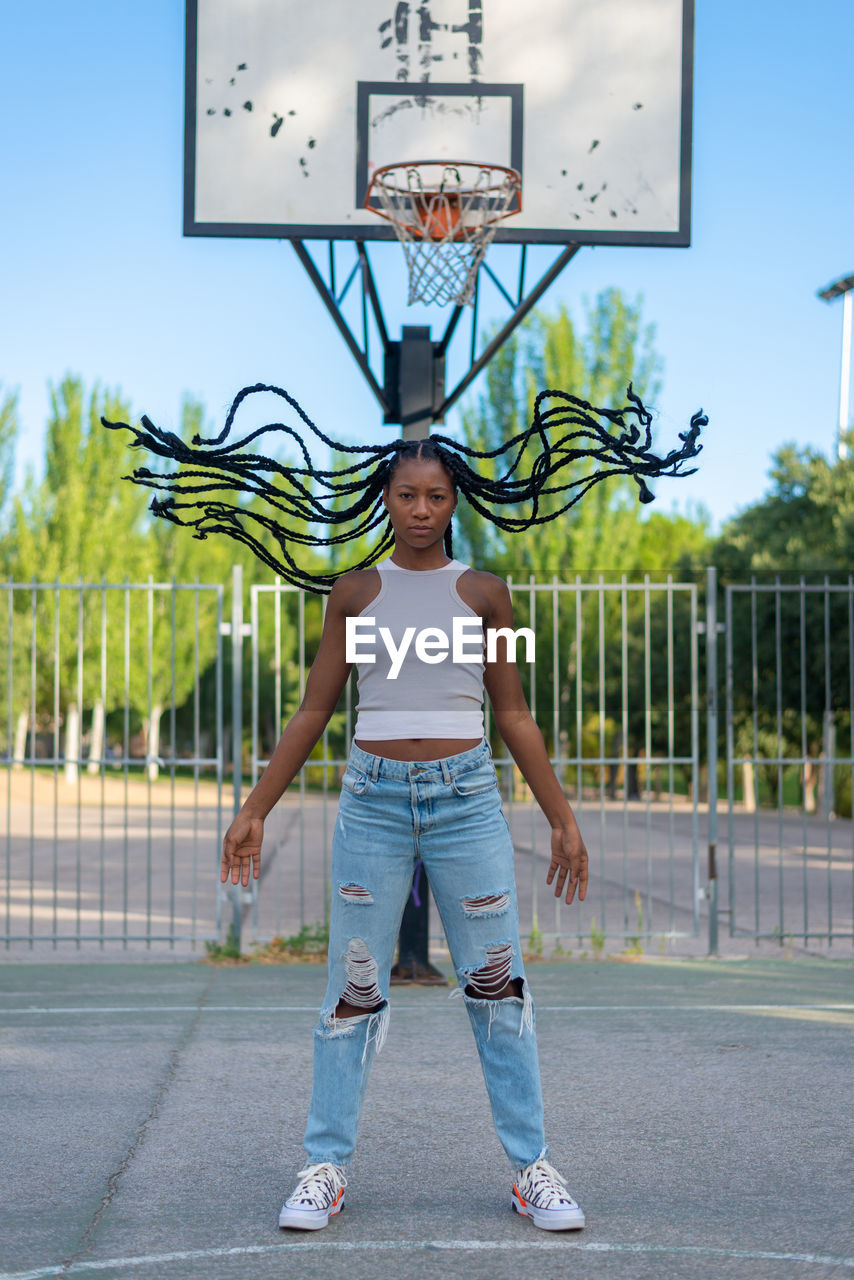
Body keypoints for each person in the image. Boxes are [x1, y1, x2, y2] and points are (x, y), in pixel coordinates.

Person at [220, 438, 590, 1233]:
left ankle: (532, 1169)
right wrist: (257, 806)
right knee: (354, 991)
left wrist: (561, 817)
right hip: (373, 803)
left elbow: (514, 714)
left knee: (500, 987)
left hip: (466, 801)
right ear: (383, 498)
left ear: (457, 503)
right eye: (407, 495)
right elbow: (316, 709)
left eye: (436, 496)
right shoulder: (353, 593)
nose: (421, 510)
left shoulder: (486, 593)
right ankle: (325, 1165)